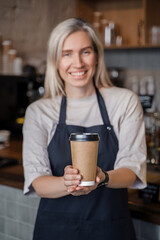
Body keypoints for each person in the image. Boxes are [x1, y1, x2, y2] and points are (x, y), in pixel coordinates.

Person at [23, 18, 147, 240]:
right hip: (55, 231)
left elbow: (131, 170)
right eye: (67, 53)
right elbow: (38, 181)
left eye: (85, 51)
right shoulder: (39, 112)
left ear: (97, 55)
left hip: (110, 229)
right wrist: (66, 182)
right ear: (55, 61)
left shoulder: (124, 102)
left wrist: (103, 177)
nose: (78, 63)